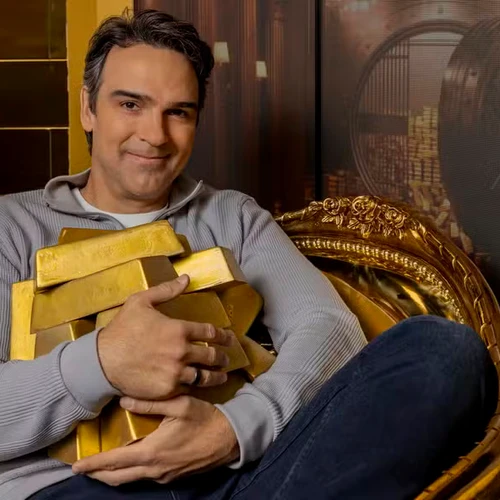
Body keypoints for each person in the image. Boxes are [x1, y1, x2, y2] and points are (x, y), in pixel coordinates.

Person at [0, 9, 495, 500]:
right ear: (88, 108)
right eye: (131, 104)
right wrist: (103, 361)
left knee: (444, 352)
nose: (155, 135)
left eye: (179, 112)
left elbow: (328, 328)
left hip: (242, 481)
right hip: (77, 486)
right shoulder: (12, 227)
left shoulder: (231, 216)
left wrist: (232, 430)